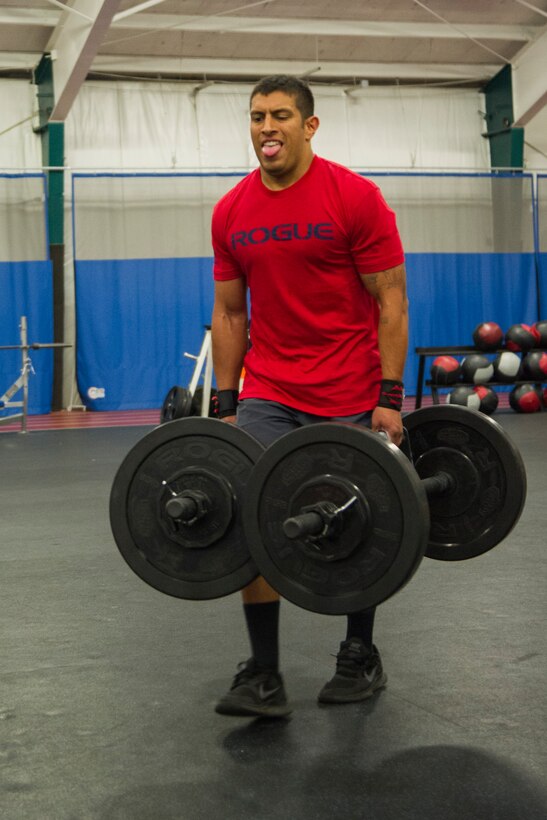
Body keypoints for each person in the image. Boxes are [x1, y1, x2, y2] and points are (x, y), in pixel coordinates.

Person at [210, 75, 408, 718]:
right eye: (257, 116)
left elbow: (390, 299)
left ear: (310, 126)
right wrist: (223, 401)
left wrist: (389, 395)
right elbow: (230, 313)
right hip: (269, 388)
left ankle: (359, 655)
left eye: (281, 116)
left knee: (354, 519)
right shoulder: (232, 210)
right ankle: (263, 673)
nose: (267, 127)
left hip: (348, 385)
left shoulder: (354, 197)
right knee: (251, 511)